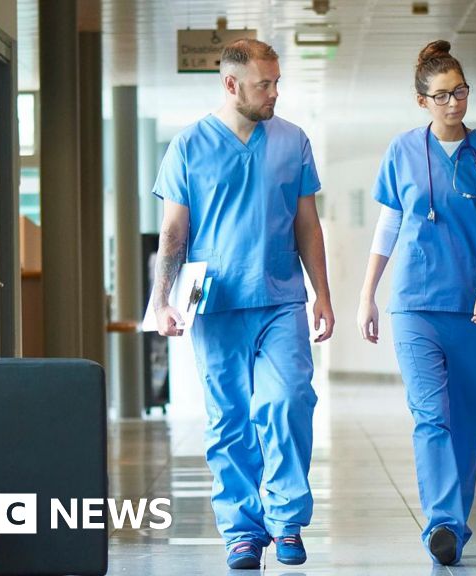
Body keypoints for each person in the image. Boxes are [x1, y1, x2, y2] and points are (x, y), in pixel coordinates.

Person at [150, 38, 334, 570]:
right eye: (264, 84)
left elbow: (307, 224)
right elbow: (174, 230)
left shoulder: (292, 141)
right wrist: (162, 300)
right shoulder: (188, 146)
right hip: (216, 302)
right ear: (231, 84)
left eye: (277, 82)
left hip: (281, 297)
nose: (274, 92)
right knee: (229, 419)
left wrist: (322, 293)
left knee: (288, 400)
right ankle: (242, 530)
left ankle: (287, 517)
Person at [356, 40, 476, 566]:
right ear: (421, 100)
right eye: (442, 95)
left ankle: (455, 523)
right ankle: (442, 521)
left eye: (460, 92)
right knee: (430, 416)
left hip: (472, 305)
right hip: (415, 304)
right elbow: (390, 223)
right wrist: (367, 294)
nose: (453, 104)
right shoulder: (402, 150)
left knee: (467, 416)